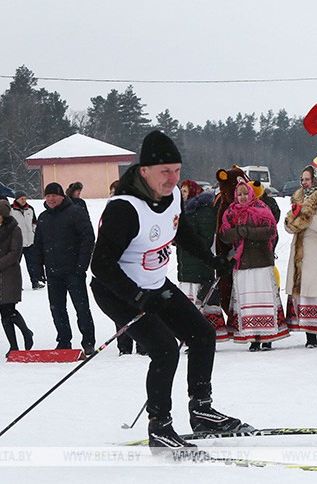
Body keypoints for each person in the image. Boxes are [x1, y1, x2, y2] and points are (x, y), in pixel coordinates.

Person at [90, 130, 246, 451]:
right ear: (144, 171)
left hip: (154, 285)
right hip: (116, 291)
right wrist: (136, 296)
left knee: (203, 334)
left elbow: (181, 231)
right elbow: (101, 267)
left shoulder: (173, 196)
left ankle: (202, 411)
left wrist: (211, 259)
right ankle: (159, 425)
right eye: (165, 172)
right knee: (164, 349)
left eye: (177, 170)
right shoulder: (125, 208)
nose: (173, 179)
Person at [219, 182, 288, 351]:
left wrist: (248, 231)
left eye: (245, 194)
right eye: (240, 194)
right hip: (242, 263)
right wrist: (238, 232)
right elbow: (224, 235)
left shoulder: (261, 208)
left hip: (262, 261)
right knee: (248, 301)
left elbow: (270, 230)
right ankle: (253, 337)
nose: (243, 197)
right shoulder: (230, 213)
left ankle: (268, 336)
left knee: (263, 299)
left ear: (251, 194)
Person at [33, 182, 96, 355]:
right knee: (57, 308)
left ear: (62, 196)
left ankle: (88, 341)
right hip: (53, 271)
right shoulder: (43, 217)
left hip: (74, 270)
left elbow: (88, 238)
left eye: (54, 196)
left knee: (81, 308)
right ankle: (63, 340)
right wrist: (37, 268)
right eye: (48, 196)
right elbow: (38, 244)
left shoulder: (75, 212)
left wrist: (81, 265)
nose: (51, 199)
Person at [284, 165, 317, 348]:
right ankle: (310, 336)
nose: (304, 183)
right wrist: (291, 221)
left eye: (307, 179)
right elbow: (289, 225)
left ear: (316, 179)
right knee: (306, 293)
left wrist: (305, 215)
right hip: (302, 254)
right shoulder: (298, 198)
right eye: (303, 179)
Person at [176, 180, 226, 343]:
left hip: (199, 264)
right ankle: (190, 335)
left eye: (185, 191)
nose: (182, 194)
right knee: (188, 301)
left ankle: (203, 335)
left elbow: (206, 238)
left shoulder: (202, 211)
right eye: (181, 191)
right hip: (186, 264)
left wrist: (189, 243)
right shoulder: (183, 211)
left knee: (201, 300)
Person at [0, 199, 33, 358]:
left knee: (10, 310)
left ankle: (26, 332)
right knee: (2, 312)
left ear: (4, 215)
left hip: (9, 274)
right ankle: (13, 346)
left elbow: (15, 253)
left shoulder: (14, 230)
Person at [10, 191, 44, 289]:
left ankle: (35, 282)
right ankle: (16, 284)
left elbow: (34, 223)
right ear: (16, 199)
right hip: (17, 242)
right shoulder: (11, 210)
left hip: (29, 242)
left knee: (32, 264)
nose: (24, 201)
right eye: (21, 199)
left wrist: (34, 233)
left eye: (25, 198)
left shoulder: (30, 209)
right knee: (15, 265)